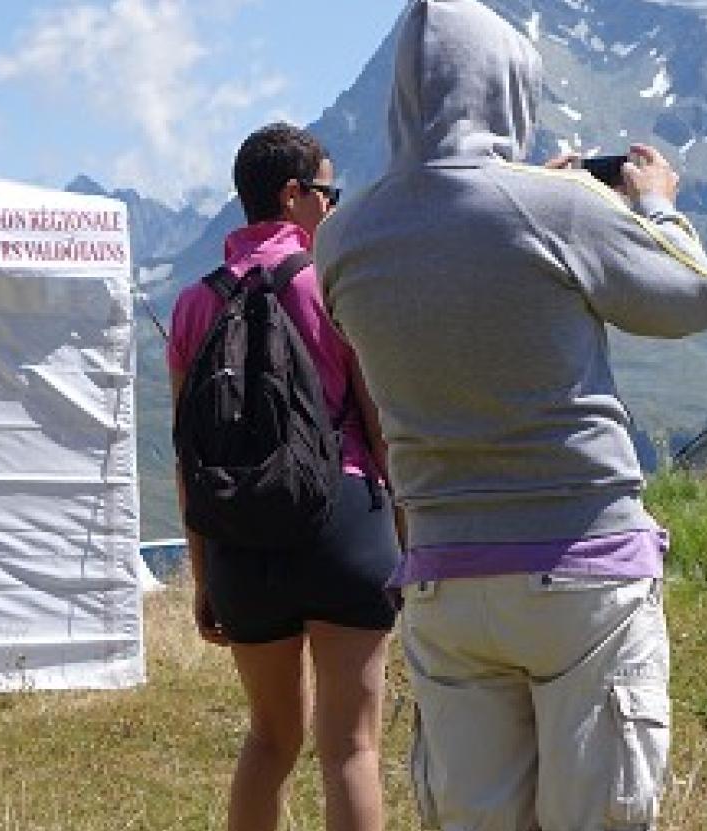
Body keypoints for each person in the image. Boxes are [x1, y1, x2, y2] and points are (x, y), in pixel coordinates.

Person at [314, 1, 707, 829]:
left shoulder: (342, 237)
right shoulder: (561, 207)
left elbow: (452, 277)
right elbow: (689, 301)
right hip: (583, 566)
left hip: (440, 574)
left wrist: (532, 187)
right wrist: (650, 204)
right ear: (508, 88)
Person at [166, 122, 402, 831]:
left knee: (270, 740)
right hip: (342, 518)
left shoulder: (192, 303)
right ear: (294, 194)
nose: (333, 206)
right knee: (351, 747)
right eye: (328, 192)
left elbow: (190, 456)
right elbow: (379, 427)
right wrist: (406, 536)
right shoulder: (329, 282)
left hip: (241, 540)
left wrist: (206, 575)